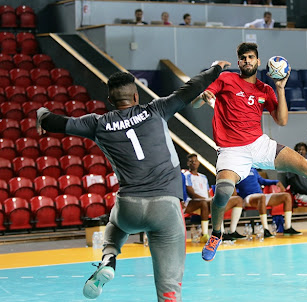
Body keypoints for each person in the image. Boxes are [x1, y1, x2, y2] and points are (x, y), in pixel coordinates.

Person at [36, 62, 230, 301]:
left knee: (115, 227)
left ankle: (109, 258)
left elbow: (57, 122)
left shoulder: (97, 123)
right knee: (169, 289)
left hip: (129, 207)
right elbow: (191, 88)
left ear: (109, 98)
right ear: (136, 96)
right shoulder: (157, 109)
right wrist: (215, 69)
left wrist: (41, 115)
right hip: (166, 208)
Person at [194, 43, 307, 261]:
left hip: (259, 144)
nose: (247, 60)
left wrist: (280, 88)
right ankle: (216, 234)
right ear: (238, 62)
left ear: (258, 61)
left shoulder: (265, 89)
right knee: (223, 193)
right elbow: (196, 103)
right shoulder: (226, 79)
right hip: (232, 150)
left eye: (251, 57)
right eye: (243, 58)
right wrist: (202, 97)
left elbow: (282, 120)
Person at [184, 153, 245, 242]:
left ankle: (232, 231)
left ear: (199, 162)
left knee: (238, 200)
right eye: (191, 161)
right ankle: (219, 233)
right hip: (195, 202)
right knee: (214, 203)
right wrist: (209, 199)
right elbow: (191, 193)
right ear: (188, 163)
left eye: (196, 160)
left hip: (207, 201)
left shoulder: (203, 177)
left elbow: (207, 193)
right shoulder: (187, 175)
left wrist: (211, 198)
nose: (194, 162)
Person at [237, 167, 302, 237]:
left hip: (261, 196)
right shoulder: (236, 169)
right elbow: (234, 185)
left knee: (286, 196)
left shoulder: (253, 169)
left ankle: (288, 228)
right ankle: (266, 230)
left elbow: (262, 181)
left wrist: (276, 181)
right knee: (261, 197)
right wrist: (239, 198)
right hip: (248, 197)